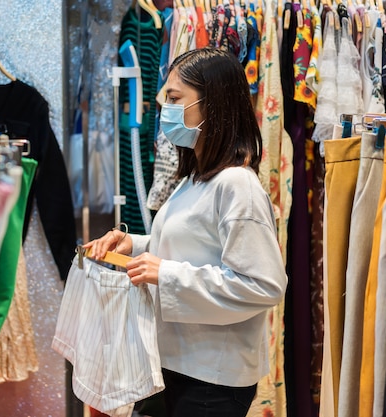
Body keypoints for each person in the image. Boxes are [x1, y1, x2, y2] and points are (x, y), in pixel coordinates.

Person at [83, 47, 288, 417]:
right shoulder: (195, 178)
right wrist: (132, 244)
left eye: (175, 99)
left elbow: (264, 284)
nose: (167, 110)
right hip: (175, 363)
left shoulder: (237, 185)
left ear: (214, 104)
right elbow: (193, 245)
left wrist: (165, 273)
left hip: (212, 377)